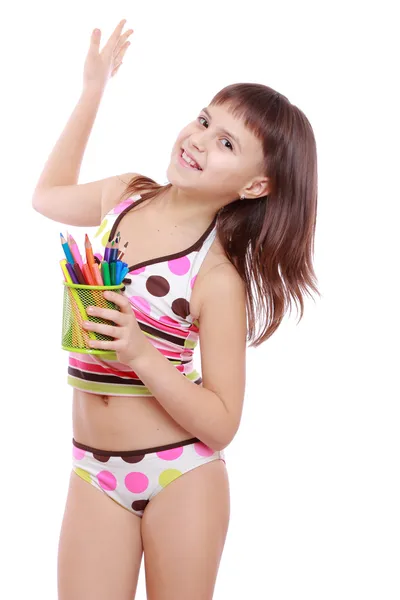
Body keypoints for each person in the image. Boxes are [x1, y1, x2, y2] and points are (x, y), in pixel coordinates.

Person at [32, 18, 319, 600]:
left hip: (180, 473)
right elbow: (47, 196)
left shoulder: (215, 277)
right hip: (93, 470)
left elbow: (222, 421)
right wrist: (93, 89)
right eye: (206, 120)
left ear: (256, 187)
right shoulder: (123, 196)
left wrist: (139, 351)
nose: (199, 139)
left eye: (226, 144)